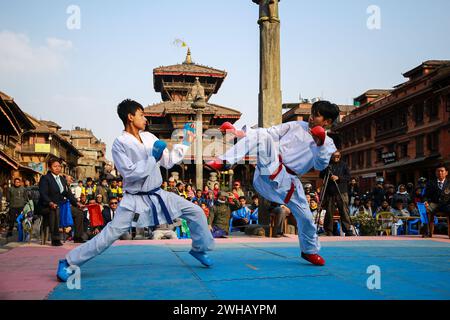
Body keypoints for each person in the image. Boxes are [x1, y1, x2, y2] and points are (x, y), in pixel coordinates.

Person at [57, 99, 214, 282]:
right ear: (130, 117)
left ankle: (199, 249)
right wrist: (152, 158)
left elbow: (169, 161)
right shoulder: (120, 144)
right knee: (110, 235)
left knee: (195, 211)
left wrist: (186, 141)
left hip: (158, 194)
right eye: (141, 115)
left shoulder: (149, 137)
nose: (145, 119)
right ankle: (68, 261)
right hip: (134, 200)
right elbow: (130, 173)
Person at [206, 100, 339, 266]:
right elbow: (271, 132)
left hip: (289, 181)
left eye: (316, 115)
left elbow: (320, 166)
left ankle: (309, 251)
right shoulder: (297, 126)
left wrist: (319, 144)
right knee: (263, 136)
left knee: (306, 218)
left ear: (327, 121)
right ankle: (224, 161)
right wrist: (241, 133)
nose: (311, 117)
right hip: (271, 166)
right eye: (312, 113)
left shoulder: (328, 144)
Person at [38, 158, 83, 246]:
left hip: (61, 205)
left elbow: (68, 193)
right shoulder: (45, 178)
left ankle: (77, 237)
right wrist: (50, 203)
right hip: (47, 206)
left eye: (59, 166)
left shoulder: (62, 179)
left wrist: (76, 203)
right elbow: (43, 194)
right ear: (50, 168)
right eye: (55, 166)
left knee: (79, 212)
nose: (57, 168)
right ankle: (55, 239)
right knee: (55, 210)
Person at [320, 151, 354, 236]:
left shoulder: (344, 165)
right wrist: (326, 172)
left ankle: (348, 229)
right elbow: (321, 175)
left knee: (344, 211)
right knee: (329, 212)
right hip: (330, 191)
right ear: (331, 156)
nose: (336, 157)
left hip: (342, 191)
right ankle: (328, 231)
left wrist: (338, 178)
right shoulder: (327, 165)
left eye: (338, 156)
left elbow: (348, 177)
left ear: (340, 156)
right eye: (334, 156)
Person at [423, 164, 450, 238]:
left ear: (446, 172)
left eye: (442, 171)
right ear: (435, 172)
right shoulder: (430, 183)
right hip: (434, 204)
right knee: (428, 210)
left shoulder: (449, 183)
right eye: (438, 171)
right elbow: (425, 196)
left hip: (447, 204)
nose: (440, 173)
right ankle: (428, 232)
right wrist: (426, 202)